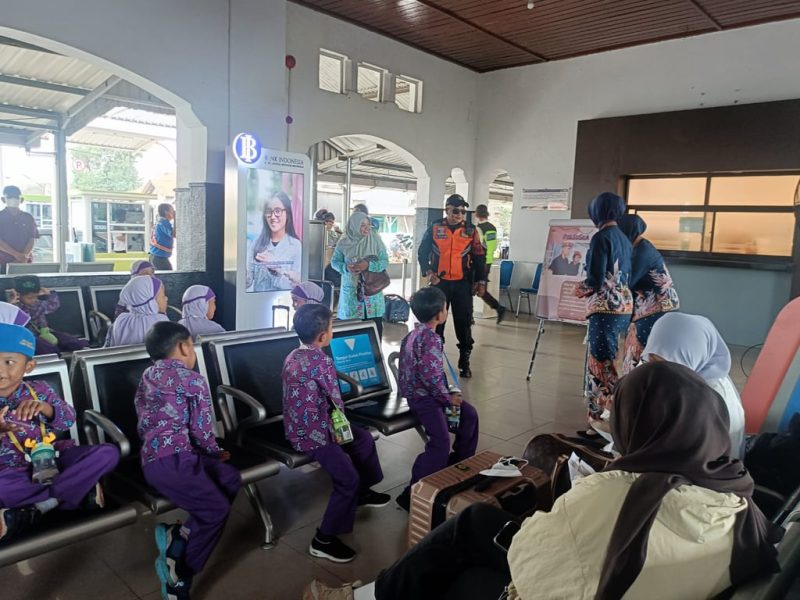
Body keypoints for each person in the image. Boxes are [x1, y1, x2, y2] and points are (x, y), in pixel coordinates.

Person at [375, 362, 781, 600]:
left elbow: (532, 564)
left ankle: (382, 592)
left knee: (460, 561)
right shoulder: (735, 492)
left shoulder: (615, 494)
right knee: (476, 518)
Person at [134, 321, 240, 600]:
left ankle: (180, 536)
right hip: (173, 461)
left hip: (157, 459)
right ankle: (179, 573)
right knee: (216, 510)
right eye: (191, 346)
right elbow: (202, 429)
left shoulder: (147, 375)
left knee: (229, 478)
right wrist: (214, 452)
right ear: (183, 347)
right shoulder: (193, 380)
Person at [282, 304, 390, 563]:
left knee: (363, 439)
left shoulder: (293, 355)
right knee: (347, 479)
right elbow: (335, 399)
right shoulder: (321, 361)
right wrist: (339, 429)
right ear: (323, 336)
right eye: (331, 327)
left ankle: (362, 492)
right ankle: (323, 539)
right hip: (315, 435)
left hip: (309, 426)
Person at [0, 323, 119, 542]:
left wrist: (46, 408)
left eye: (9, 362)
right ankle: (74, 492)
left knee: (108, 453)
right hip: (13, 471)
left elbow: (68, 420)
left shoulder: (40, 390)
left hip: (55, 459)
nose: (0, 370)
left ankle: (40, 507)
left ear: (29, 366)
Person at [394, 287, 479, 512]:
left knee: (469, 415)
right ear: (440, 314)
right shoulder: (430, 339)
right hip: (426, 399)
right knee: (440, 443)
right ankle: (411, 494)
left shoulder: (413, 334)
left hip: (426, 394)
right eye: (445, 307)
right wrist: (447, 398)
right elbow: (430, 376)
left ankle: (455, 470)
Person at [643, 312, 745, 457]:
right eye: (651, 360)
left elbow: (697, 456)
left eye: (668, 363)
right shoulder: (683, 378)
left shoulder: (713, 396)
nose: (656, 371)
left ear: (694, 356)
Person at [575, 192, 633, 429]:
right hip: (623, 307)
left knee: (599, 366)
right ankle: (609, 418)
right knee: (609, 362)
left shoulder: (601, 237)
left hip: (605, 309)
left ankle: (602, 423)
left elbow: (596, 278)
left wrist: (580, 288)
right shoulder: (624, 238)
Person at [418, 194, 486, 378]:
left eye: (463, 211)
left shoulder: (471, 230)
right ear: (447, 209)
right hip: (440, 284)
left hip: (463, 283)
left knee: (463, 323)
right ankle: (435, 361)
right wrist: (428, 272)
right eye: (456, 211)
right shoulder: (435, 227)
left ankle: (464, 360)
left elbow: (479, 257)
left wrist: (481, 281)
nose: (459, 215)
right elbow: (422, 252)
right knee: (437, 322)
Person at [618, 214, 680, 374]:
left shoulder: (642, 253)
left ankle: (639, 384)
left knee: (642, 351)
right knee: (636, 349)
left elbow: (627, 281)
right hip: (651, 309)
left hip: (656, 310)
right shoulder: (638, 248)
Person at [331, 211, 389, 338]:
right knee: (352, 337)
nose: (367, 228)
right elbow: (334, 262)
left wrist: (368, 265)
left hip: (372, 294)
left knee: (373, 335)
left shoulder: (375, 240)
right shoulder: (343, 242)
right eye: (362, 225)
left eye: (368, 225)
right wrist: (345, 268)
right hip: (351, 295)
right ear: (354, 225)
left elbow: (385, 261)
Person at [12, 275, 89, 355]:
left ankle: (82, 348)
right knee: (44, 347)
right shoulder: (15, 308)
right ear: (18, 295)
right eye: (29, 298)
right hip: (28, 337)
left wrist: (49, 294)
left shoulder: (38, 304)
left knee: (65, 338)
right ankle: (55, 355)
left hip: (45, 332)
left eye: (35, 297)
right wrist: (12, 304)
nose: (33, 300)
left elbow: (53, 305)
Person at [246, 191, 302, 292]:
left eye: (277, 211)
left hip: (285, 300)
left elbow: (297, 284)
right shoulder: (256, 243)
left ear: (287, 214)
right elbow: (247, 281)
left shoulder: (295, 246)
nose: (272, 216)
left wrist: (277, 269)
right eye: (268, 211)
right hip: (256, 300)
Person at [104, 276, 169, 347]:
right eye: (163, 296)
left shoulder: (121, 319)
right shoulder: (161, 323)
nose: (166, 298)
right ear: (151, 302)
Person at [473, 204, 506, 324]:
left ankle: (498, 308)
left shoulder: (486, 228)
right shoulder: (479, 227)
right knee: (475, 290)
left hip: (483, 262)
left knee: (478, 290)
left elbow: (490, 247)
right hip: (480, 261)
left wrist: (486, 262)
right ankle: (498, 308)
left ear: (476, 214)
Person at [0, 185, 38, 273]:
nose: (13, 199)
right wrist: (17, 255)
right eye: (9, 197)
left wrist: (24, 256)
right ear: (3, 199)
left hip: (25, 262)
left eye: (16, 197)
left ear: (22, 199)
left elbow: (32, 238)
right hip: (3, 262)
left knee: (28, 282)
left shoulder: (28, 217)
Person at [149, 203, 176, 271]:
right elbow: (174, 234)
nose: (173, 212)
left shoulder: (159, 221)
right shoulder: (164, 222)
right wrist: (176, 219)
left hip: (155, 255)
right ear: (166, 212)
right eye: (172, 210)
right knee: (168, 275)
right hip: (159, 257)